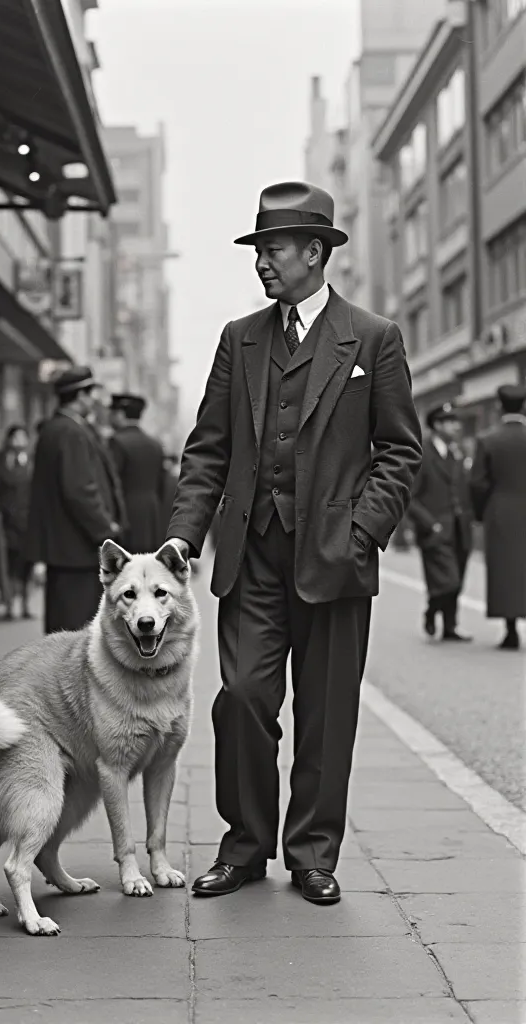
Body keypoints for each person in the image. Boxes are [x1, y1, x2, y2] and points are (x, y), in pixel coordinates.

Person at [166, 181, 422, 903]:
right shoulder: (238, 339)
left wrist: (361, 533)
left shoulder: (372, 338)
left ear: (315, 253)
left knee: (326, 709)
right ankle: (245, 847)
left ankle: (312, 853)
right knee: (242, 698)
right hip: (250, 554)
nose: (262, 264)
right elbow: (207, 451)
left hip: (336, 558)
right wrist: (183, 540)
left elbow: (400, 451)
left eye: (272, 249)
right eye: (258, 251)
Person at [26, 366, 124, 633]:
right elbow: (80, 489)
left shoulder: (58, 428)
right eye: (91, 393)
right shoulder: (70, 431)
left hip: (66, 548)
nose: (93, 400)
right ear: (80, 395)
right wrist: (106, 529)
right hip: (75, 548)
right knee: (75, 629)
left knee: (64, 627)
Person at [408, 402, 474, 642]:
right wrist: (430, 524)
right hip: (435, 530)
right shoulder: (423, 454)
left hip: (460, 528)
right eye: (450, 421)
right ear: (437, 425)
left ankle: (450, 626)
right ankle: (432, 610)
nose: (456, 426)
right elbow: (410, 497)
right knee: (449, 581)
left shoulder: (458, 452)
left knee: (457, 580)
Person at [470, 384, 526, 650]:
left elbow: (478, 483)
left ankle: (511, 628)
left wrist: (480, 513)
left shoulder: (488, 439)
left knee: (506, 571)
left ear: (500, 407)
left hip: (501, 510)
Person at [0, 425, 33, 620]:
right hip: (5, 522)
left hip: (27, 523)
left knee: (26, 565)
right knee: (8, 563)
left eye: (23, 437)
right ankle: (9, 603)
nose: (19, 441)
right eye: (15, 437)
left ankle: (25, 603)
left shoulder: (33, 464)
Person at [109, 393, 168, 552]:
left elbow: (111, 482)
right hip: (152, 513)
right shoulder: (155, 444)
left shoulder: (116, 442)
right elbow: (161, 484)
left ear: (120, 414)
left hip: (127, 513)